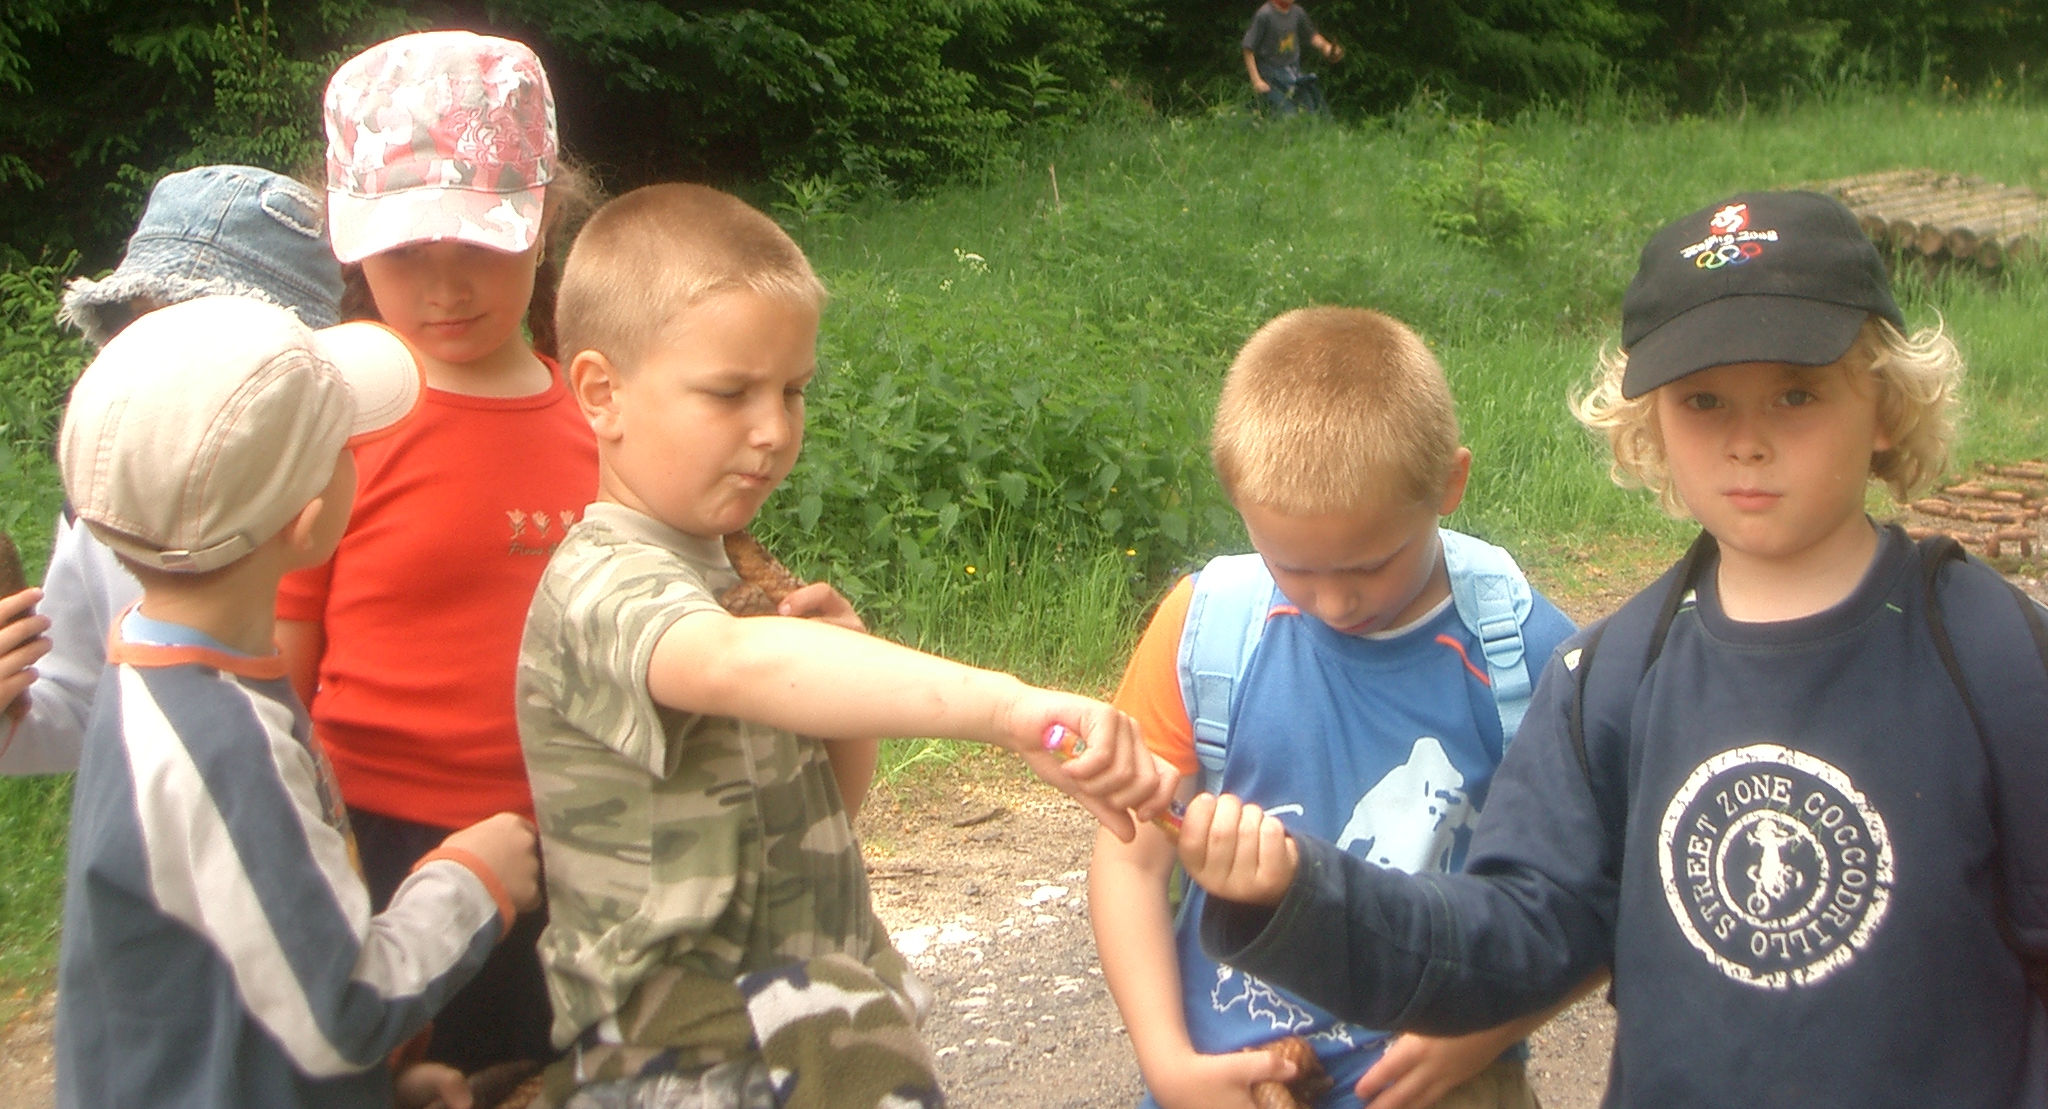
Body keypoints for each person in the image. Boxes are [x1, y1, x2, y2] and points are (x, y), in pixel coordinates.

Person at [1173, 192, 2048, 1108]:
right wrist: (1301, 895)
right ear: (1650, 424)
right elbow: (1515, 937)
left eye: (1798, 392)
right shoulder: (1613, 678)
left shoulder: (1995, 656)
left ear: (1886, 406)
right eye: (1703, 400)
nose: (1747, 441)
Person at [519, 182, 1179, 1109]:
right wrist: (1011, 711)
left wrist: (846, 686)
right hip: (687, 1055)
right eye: (730, 392)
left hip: (811, 1027)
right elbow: (728, 665)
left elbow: (829, 812)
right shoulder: (602, 584)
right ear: (602, 393)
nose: (772, 430)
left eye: (792, 391)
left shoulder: (737, 575)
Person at [53, 294, 542, 1109]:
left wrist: (367, 1086)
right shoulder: (224, 745)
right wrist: (471, 880)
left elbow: (241, 954)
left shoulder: (148, 665)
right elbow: (335, 1012)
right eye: (348, 447)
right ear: (309, 523)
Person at [1091, 308, 1581, 1109]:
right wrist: (1168, 1064)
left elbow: (1582, 894)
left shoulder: (1523, 656)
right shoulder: (1207, 630)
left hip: (1440, 1077)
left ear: (1449, 483)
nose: (1333, 602)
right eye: (1292, 567)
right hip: (1227, 1077)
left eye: (1369, 565)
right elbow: (1130, 859)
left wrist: (1485, 1033)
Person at [277, 31, 601, 1075]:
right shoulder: (328, 426)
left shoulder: (602, 420)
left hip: (589, 832)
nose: (447, 287)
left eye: (481, 246)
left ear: (544, 223)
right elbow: (279, 664)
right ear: (351, 245)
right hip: (386, 848)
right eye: (408, 253)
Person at [0, 163, 345, 775]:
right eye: (146, 328)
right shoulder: (107, 504)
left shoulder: (348, 487)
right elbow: (82, 705)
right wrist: (9, 708)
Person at [1242, 0, 1342, 116]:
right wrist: (1256, 81)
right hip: (1271, 76)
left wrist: (1327, 48)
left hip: (1293, 72)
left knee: (1312, 112)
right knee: (1287, 116)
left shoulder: (1297, 13)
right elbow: (1248, 48)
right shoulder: (1265, 15)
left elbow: (1312, 36)